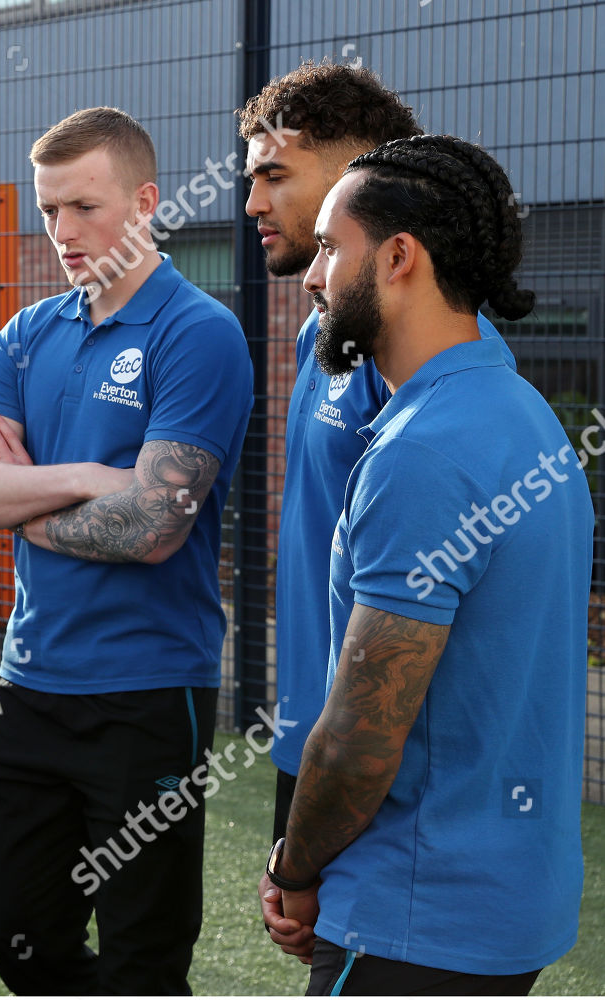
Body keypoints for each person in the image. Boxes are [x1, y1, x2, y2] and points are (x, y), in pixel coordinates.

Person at [0, 107, 254, 993]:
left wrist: (26, 509)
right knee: (23, 941)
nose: (63, 234)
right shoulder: (30, 334)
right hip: (29, 689)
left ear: (145, 202)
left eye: (84, 207)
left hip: (147, 694)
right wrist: (84, 474)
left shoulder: (197, 332)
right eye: (47, 211)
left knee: (142, 962)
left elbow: (154, 526)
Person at [259, 134, 592, 994]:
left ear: (400, 257)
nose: (312, 276)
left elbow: (361, 739)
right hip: (509, 909)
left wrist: (294, 870)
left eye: (332, 248)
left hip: (416, 918)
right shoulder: (523, 413)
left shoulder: (424, 453)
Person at [238, 61, 514, 845]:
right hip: (314, 735)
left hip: (379, 763)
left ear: (351, 179)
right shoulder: (327, 334)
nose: (254, 201)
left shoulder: (432, 363)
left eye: (273, 176)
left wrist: (354, 746)